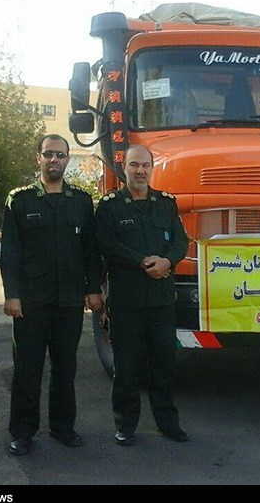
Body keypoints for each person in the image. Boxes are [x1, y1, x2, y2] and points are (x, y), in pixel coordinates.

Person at [0, 134, 103, 456]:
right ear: (39, 159)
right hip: (30, 302)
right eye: (48, 154)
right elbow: (10, 252)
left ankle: (63, 427)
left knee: (65, 368)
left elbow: (91, 252)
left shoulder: (81, 202)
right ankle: (22, 432)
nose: (54, 160)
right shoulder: (20, 200)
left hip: (69, 301)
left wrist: (93, 288)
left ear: (68, 159)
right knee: (27, 369)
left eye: (60, 154)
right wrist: (12, 295)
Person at [95, 144, 190, 446]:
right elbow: (107, 245)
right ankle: (125, 425)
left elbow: (180, 241)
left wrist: (167, 262)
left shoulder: (166, 204)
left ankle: (168, 424)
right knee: (126, 367)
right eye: (134, 165)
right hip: (127, 301)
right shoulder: (110, 206)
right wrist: (141, 262)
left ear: (152, 168)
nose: (140, 171)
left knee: (164, 365)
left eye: (145, 165)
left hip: (161, 299)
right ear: (124, 168)